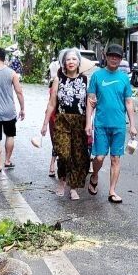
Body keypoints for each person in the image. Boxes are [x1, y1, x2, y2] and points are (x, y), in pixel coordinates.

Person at [85, 43, 137, 204]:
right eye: (111, 56)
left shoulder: (123, 78)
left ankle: (112, 191)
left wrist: (132, 125)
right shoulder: (97, 76)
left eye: (118, 57)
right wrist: (88, 123)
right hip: (100, 124)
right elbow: (90, 101)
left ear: (121, 59)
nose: (114, 59)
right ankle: (94, 175)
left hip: (119, 125)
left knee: (116, 159)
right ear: (106, 57)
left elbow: (128, 102)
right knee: (99, 157)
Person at [41, 48, 90, 200]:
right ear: (63, 62)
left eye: (74, 59)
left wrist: (89, 123)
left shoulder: (84, 80)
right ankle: (62, 180)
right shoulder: (58, 80)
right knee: (63, 153)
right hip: (62, 120)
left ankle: (73, 187)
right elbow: (51, 104)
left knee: (77, 155)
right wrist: (44, 124)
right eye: (68, 59)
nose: (71, 62)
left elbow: (89, 103)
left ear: (78, 62)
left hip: (79, 121)